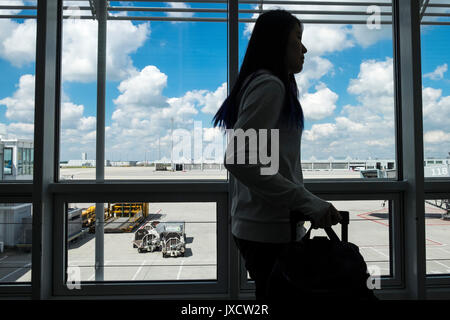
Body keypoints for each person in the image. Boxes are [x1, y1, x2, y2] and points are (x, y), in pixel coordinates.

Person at [212, 9, 342, 300]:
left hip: (262, 226)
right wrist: (308, 202)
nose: (305, 48)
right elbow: (240, 158)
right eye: (298, 38)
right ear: (278, 41)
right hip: (268, 231)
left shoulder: (261, 83)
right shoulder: (270, 85)